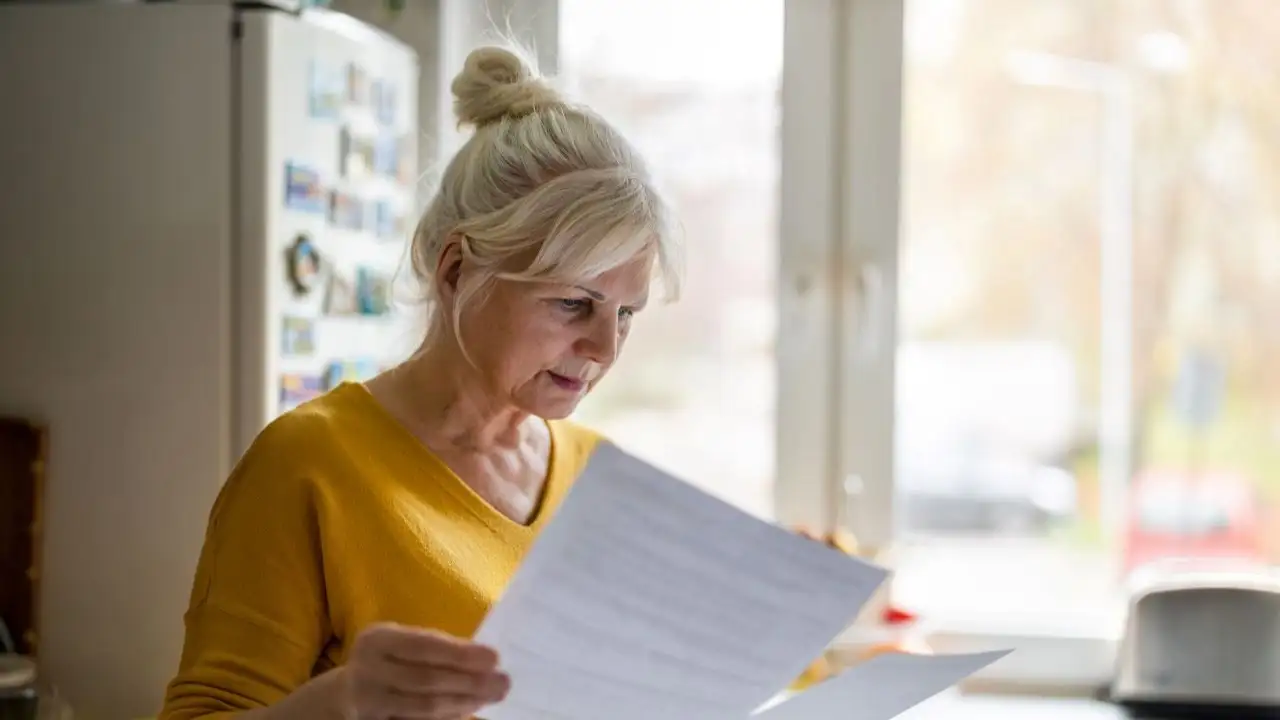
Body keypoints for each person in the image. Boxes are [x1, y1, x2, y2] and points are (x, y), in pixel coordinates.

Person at [159, 43, 680, 720]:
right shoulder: (309, 464)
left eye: (626, 313)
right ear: (456, 270)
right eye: (572, 304)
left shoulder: (598, 476)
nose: (604, 346)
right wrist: (341, 703)